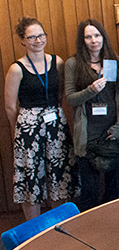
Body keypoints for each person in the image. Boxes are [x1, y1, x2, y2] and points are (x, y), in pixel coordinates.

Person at [4, 17, 75, 220]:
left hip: (55, 124)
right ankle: (34, 231)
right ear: (23, 41)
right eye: (32, 37)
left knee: (58, 175)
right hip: (28, 127)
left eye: (41, 35)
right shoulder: (16, 69)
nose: (37, 40)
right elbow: (9, 107)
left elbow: (62, 93)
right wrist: (17, 132)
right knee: (31, 178)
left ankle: (60, 225)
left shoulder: (58, 62)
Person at [64, 20, 119, 211]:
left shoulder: (115, 62)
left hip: (111, 132)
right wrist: (91, 90)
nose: (94, 40)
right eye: (88, 36)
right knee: (90, 190)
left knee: (114, 187)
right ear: (82, 40)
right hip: (87, 134)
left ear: (103, 37)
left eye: (97, 35)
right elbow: (70, 99)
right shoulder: (73, 64)